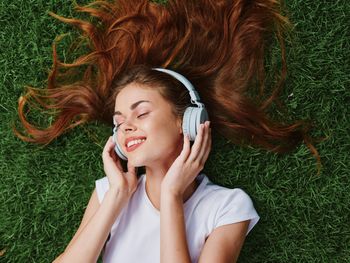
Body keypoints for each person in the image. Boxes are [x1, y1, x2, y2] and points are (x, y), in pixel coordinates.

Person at [14, 0, 322, 262]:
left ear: (186, 120)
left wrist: (173, 196)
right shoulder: (109, 191)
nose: (126, 127)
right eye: (119, 123)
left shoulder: (227, 207)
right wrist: (117, 195)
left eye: (142, 112)